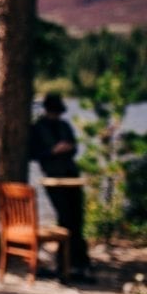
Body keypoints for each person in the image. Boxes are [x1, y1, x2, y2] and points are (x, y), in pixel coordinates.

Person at [30, 93, 93, 282]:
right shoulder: (38, 128)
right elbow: (33, 153)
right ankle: (64, 264)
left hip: (71, 174)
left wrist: (68, 148)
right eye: (53, 112)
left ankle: (79, 263)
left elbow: (74, 148)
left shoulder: (64, 126)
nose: (55, 115)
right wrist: (52, 151)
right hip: (53, 177)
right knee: (64, 218)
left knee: (77, 219)